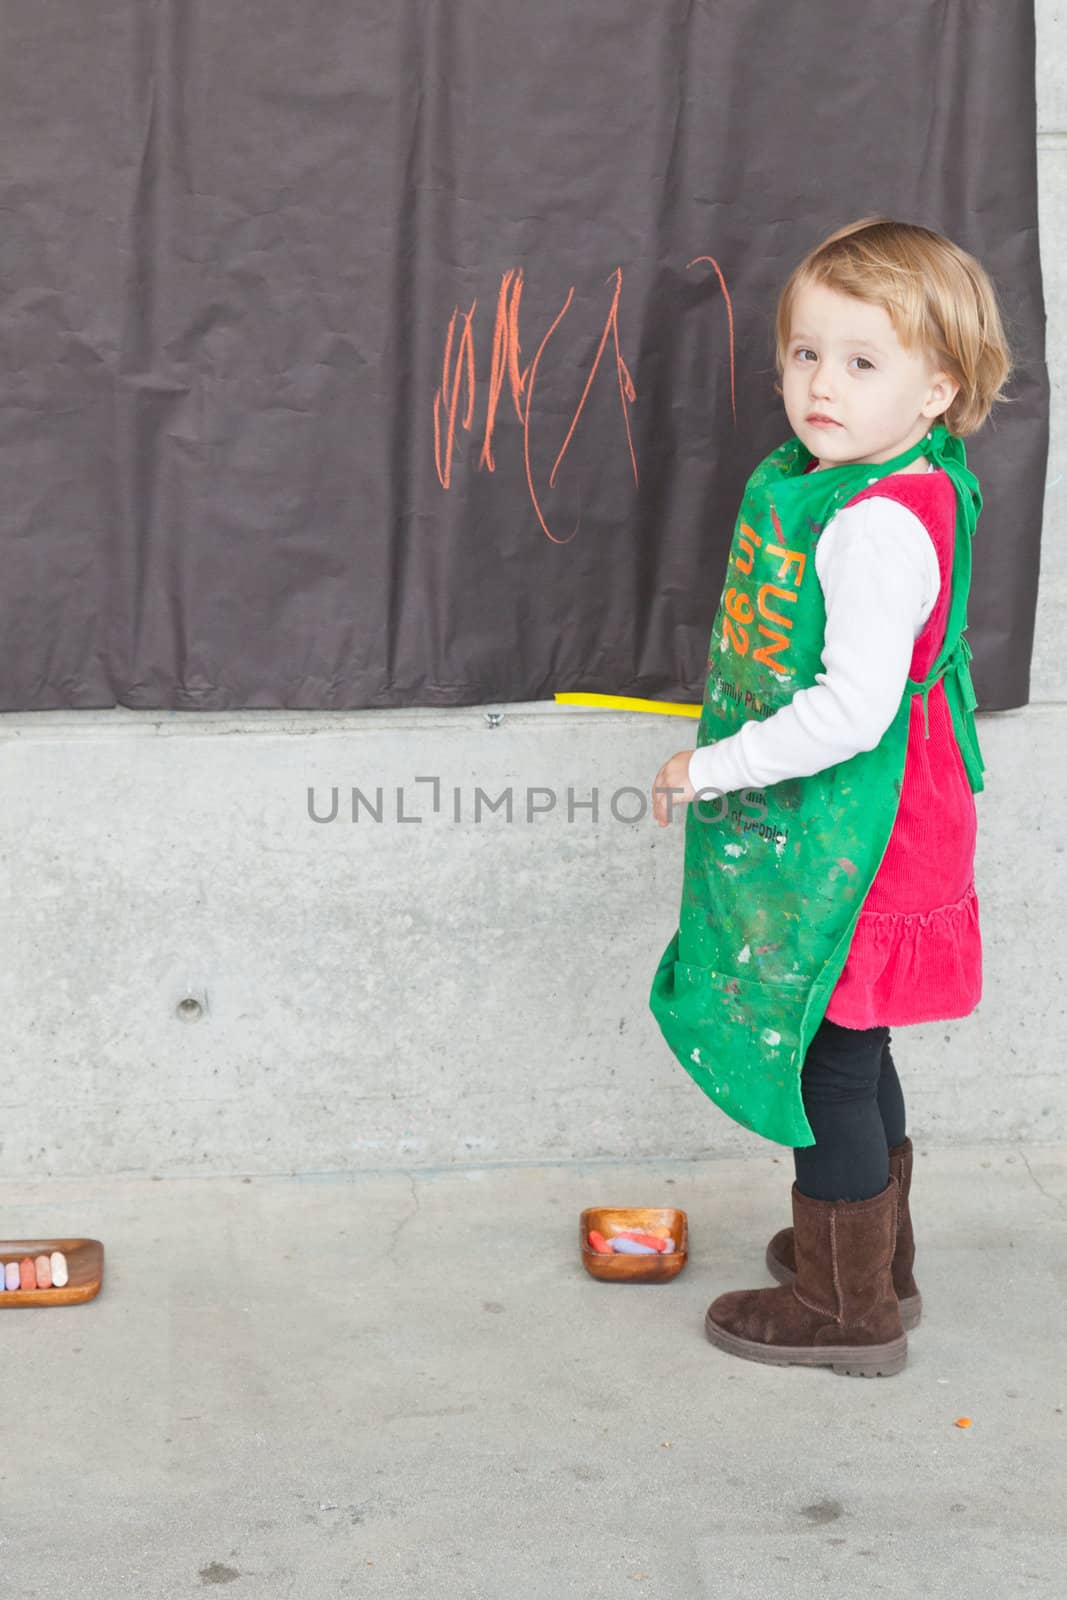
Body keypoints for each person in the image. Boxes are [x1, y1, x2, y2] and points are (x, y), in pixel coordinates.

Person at [647, 216, 1015, 1377]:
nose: (820, 383)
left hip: (863, 836)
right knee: (858, 1046)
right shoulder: (910, 479)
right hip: (896, 824)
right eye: (805, 354)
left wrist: (708, 765)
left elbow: (851, 711)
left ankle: (842, 1307)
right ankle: (876, 1260)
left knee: (827, 1061)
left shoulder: (865, 527)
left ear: (935, 390)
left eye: (862, 363)